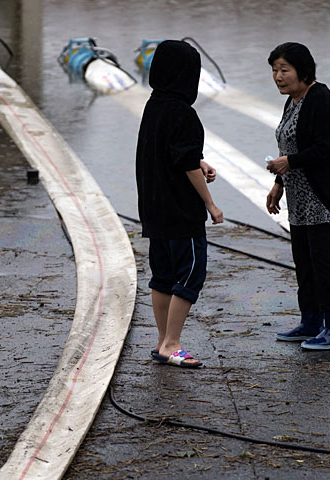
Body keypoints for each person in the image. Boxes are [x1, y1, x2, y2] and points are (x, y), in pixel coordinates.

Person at [136, 40, 223, 368]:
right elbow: (185, 162)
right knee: (189, 275)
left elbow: (171, 152)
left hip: (154, 208)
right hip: (180, 211)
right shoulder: (184, 114)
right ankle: (172, 344)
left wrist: (199, 162)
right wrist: (211, 204)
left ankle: (162, 343)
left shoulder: (153, 105)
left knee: (162, 275)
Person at [265, 42, 330, 350]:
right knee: (304, 262)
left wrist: (289, 163)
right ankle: (311, 322)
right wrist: (279, 183)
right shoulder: (292, 100)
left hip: (322, 198)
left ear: (303, 70)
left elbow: (327, 147)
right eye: (274, 70)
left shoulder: (322, 100)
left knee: (323, 263)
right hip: (299, 200)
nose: (278, 76)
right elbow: (289, 146)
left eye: (284, 70)